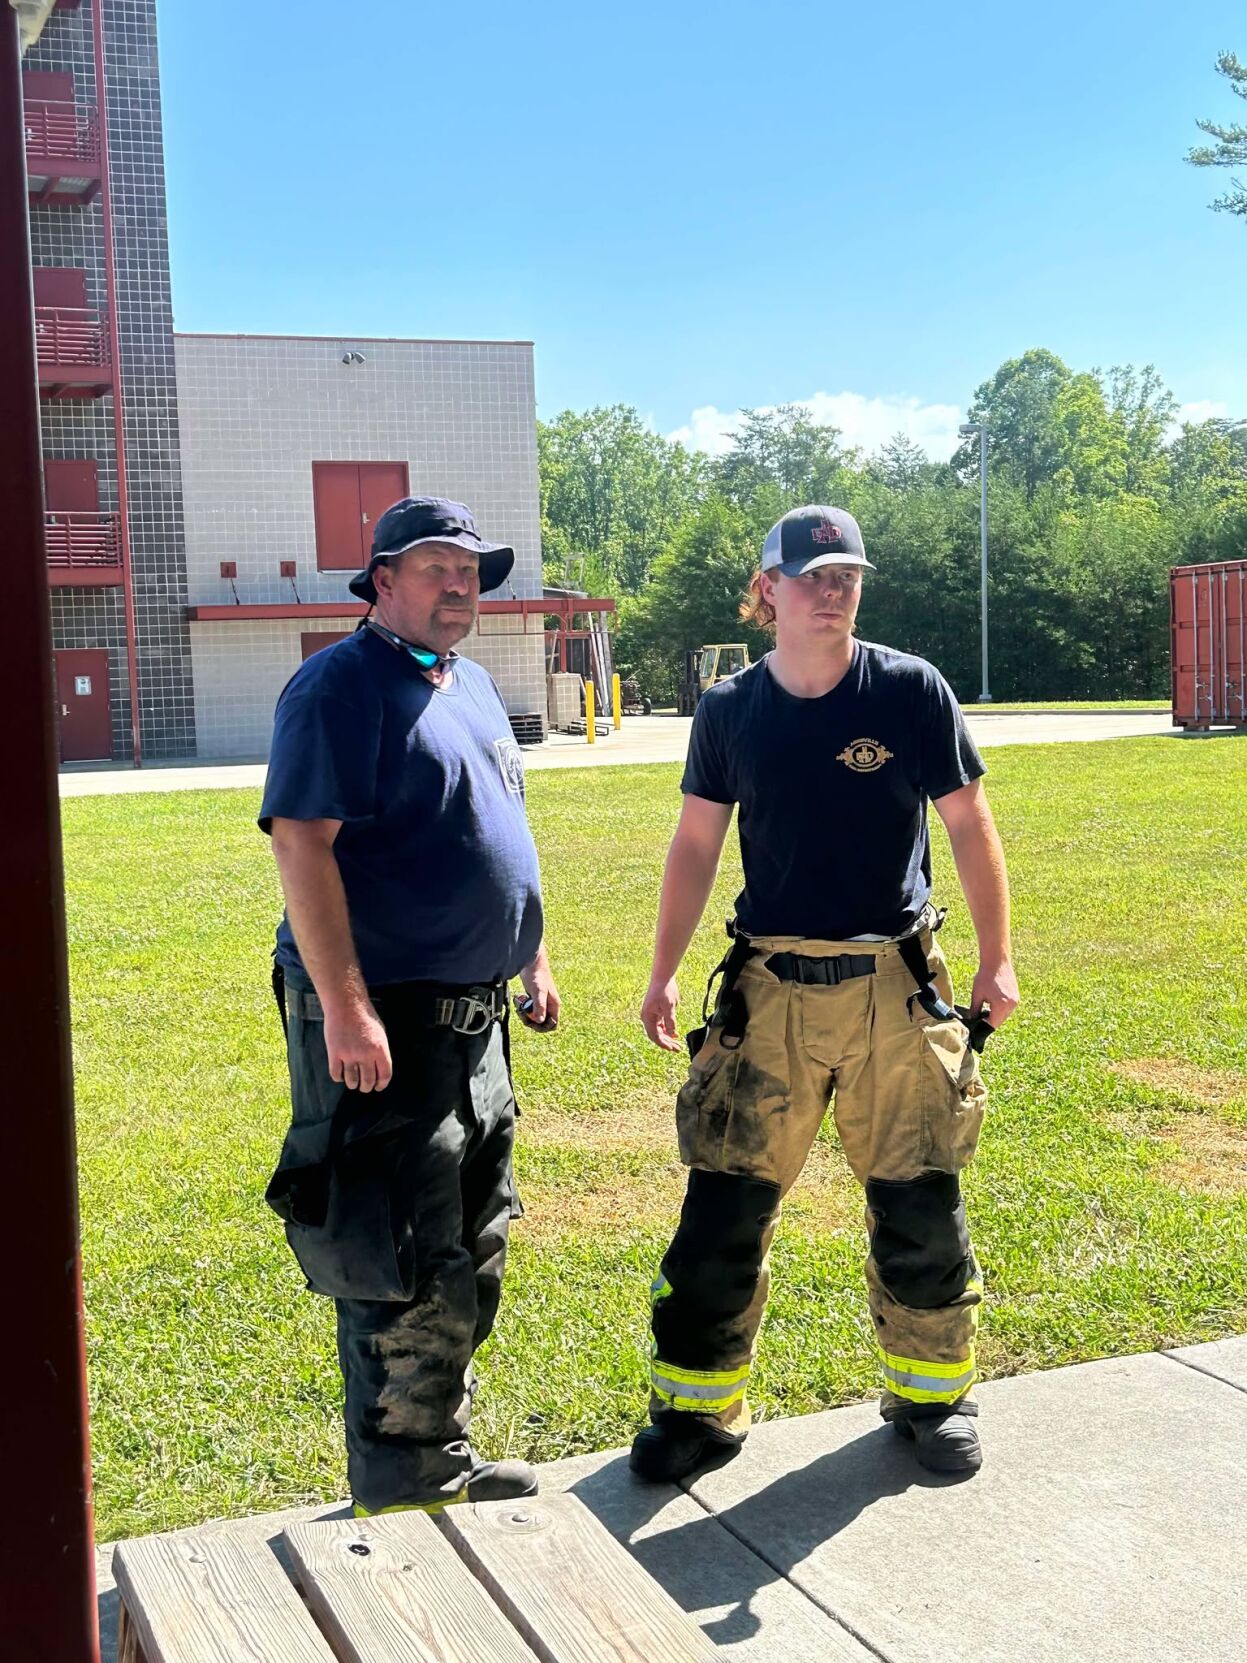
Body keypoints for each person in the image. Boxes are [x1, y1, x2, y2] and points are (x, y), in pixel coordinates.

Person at [632, 504, 1019, 1483]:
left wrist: (995, 957)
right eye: (809, 575)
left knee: (918, 1203)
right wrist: (663, 969)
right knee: (720, 1210)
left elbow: (969, 825)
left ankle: (930, 1401)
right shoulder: (729, 710)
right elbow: (693, 844)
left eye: (845, 572)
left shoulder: (908, 691)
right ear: (766, 590)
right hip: (768, 994)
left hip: (892, 985)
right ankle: (696, 1410)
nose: (830, 589)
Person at [259, 495, 560, 1516]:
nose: (460, 586)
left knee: (470, 1239)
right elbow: (301, 840)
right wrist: (345, 1008)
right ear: (381, 579)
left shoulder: (466, 683)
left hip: (474, 1018)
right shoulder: (338, 688)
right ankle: (399, 1483)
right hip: (384, 1015)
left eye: (472, 570)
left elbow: (493, 830)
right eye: (437, 568)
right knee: (395, 1247)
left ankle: (440, 1454)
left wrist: (532, 958)